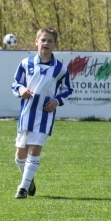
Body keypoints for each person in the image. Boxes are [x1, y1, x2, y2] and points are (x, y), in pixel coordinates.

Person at [10, 27, 73, 199]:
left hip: (44, 115)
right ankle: (29, 180)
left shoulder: (60, 69)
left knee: (34, 151)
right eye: (43, 40)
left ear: (55, 45)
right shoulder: (25, 63)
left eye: (49, 41)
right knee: (19, 155)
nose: (46, 43)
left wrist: (57, 101)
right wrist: (22, 90)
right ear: (36, 42)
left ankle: (22, 188)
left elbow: (68, 89)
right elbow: (15, 84)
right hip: (26, 114)